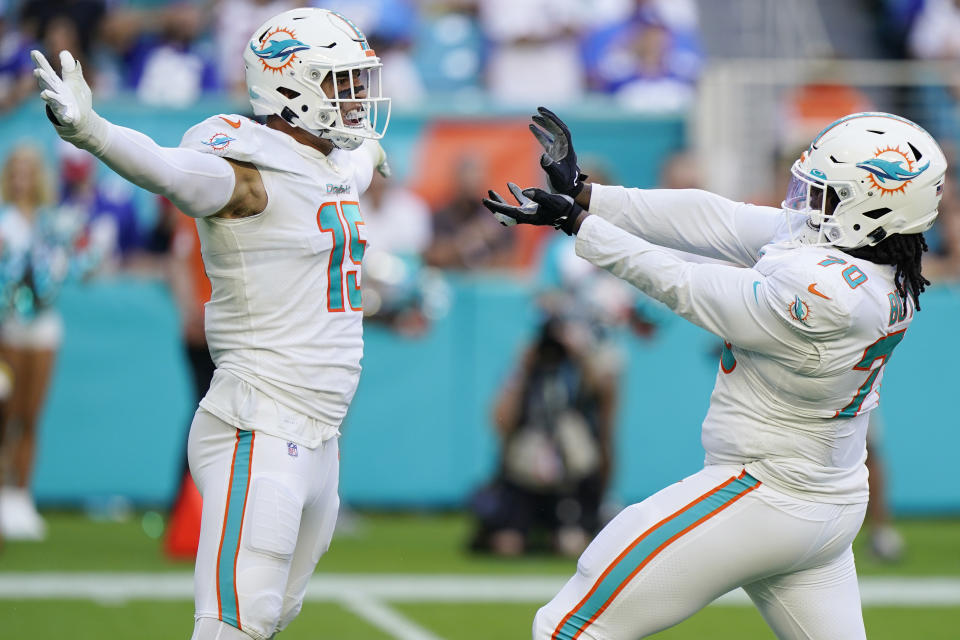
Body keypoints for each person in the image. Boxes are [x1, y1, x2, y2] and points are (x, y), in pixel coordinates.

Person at [483, 107, 946, 639]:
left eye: (826, 194)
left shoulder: (829, 295)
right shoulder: (871, 267)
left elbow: (687, 284)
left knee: (571, 626)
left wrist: (579, 225)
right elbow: (716, 219)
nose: (806, 204)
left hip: (765, 491)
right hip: (826, 505)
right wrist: (590, 194)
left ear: (873, 207)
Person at [32, 7, 390, 640]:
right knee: (233, 624)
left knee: (271, 617)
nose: (356, 97)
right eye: (341, 82)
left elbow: (347, 174)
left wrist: (371, 152)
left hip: (319, 435)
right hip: (259, 422)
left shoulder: (330, 164)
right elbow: (171, 171)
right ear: (292, 89)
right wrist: (93, 132)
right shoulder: (248, 171)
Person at [471, 313, 616, 558]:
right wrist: (522, 369)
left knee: (572, 544)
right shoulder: (523, 375)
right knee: (508, 544)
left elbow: (604, 399)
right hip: (524, 479)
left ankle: (553, 534)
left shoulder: (577, 375)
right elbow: (501, 422)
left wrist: (579, 356)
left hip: (569, 481)